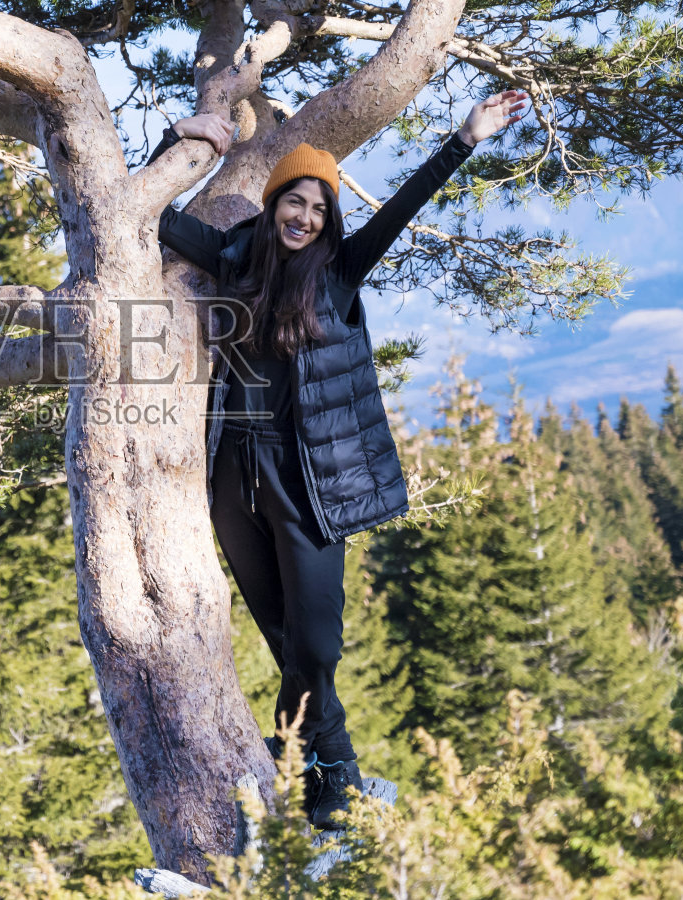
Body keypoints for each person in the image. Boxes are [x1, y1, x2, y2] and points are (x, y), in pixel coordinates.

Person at [152, 91, 528, 828]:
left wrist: (466, 137)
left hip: (313, 483)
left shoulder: (340, 272)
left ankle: (292, 754)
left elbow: (403, 206)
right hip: (235, 481)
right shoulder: (233, 256)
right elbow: (146, 214)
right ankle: (336, 780)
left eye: (319, 209)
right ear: (273, 204)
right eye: (295, 203)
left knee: (317, 644)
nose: (306, 218)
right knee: (285, 639)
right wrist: (178, 138)